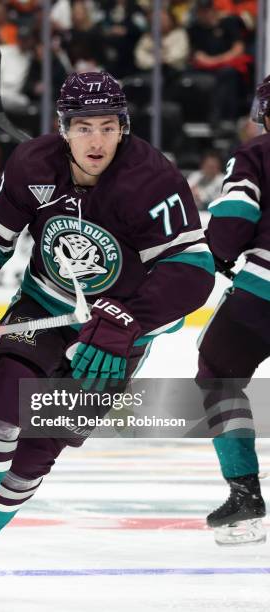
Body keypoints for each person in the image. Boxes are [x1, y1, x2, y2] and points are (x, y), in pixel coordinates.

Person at [0, 71, 214, 587]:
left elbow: (192, 271)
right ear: (63, 128)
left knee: (40, 447)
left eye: (106, 127)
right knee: (4, 398)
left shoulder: (153, 180)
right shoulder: (34, 165)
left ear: (124, 127)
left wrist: (130, 320)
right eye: (82, 127)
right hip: (43, 304)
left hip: (123, 327)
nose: (95, 141)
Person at [196, 75, 270, 545]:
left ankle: (245, 496)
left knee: (217, 374)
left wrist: (217, 253)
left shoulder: (258, 154)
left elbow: (237, 215)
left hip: (263, 294)